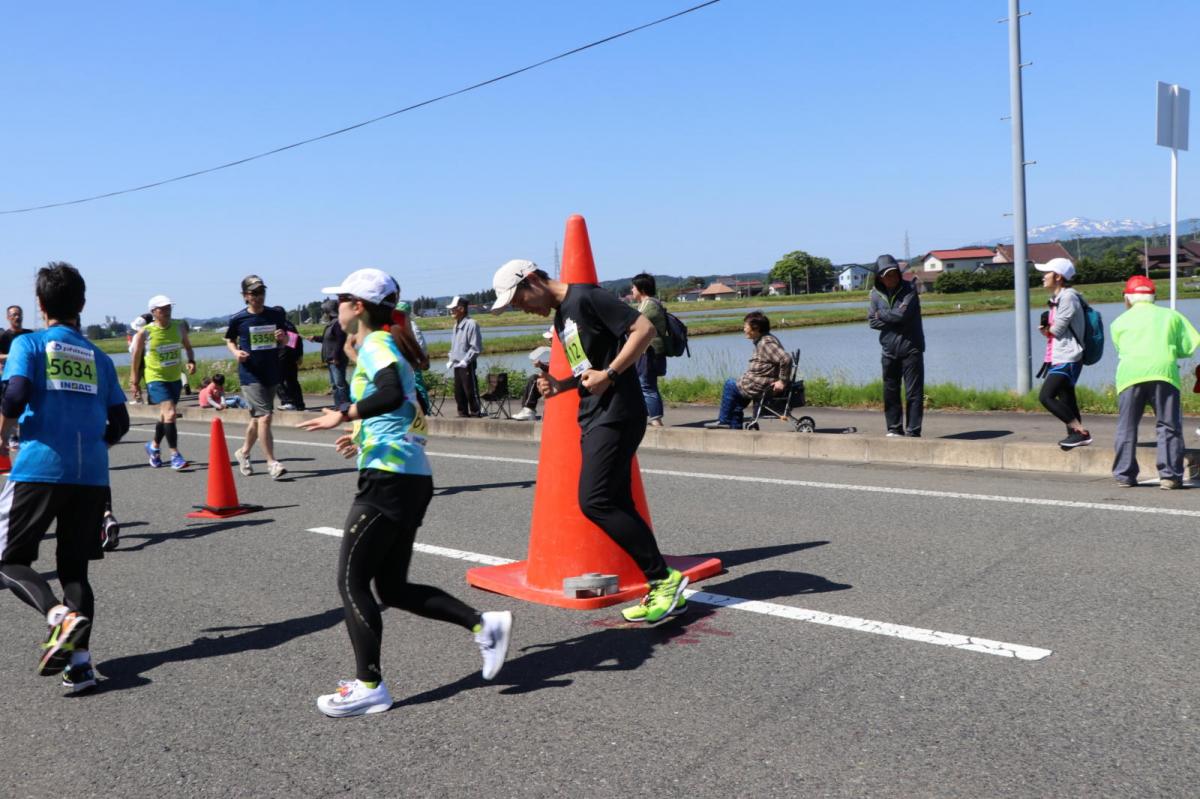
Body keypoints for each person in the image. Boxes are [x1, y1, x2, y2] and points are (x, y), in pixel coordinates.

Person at [299, 268, 511, 718]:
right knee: (391, 587)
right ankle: (483, 624)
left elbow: (393, 393)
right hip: (411, 474)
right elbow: (407, 409)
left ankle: (369, 685)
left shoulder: (378, 343)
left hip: (389, 480)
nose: (332, 307)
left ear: (358, 306)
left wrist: (345, 413)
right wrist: (362, 434)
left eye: (339, 300)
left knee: (352, 581)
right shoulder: (386, 344)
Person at [491, 258, 687, 623]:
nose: (523, 309)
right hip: (596, 412)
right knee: (616, 502)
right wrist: (560, 386)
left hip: (618, 412)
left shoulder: (585, 298)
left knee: (594, 501)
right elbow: (588, 371)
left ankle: (663, 579)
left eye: (519, 300)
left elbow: (643, 330)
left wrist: (611, 373)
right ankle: (661, 584)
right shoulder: (562, 314)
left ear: (532, 279)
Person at [0, 262, 129, 694]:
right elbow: (120, 423)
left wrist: (2, 437)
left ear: (39, 305)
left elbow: (15, 395)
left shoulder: (30, 344)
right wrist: (91, 446)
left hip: (39, 466)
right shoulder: (98, 356)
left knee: (9, 561)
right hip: (90, 473)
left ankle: (58, 616)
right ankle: (81, 667)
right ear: (83, 304)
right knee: (75, 569)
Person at [1109, 275, 1200, 489]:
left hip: (1130, 375)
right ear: (1153, 296)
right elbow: (1188, 347)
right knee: (1168, 425)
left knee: (1127, 426)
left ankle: (1124, 475)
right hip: (1164, 372)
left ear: (1128, 297)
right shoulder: (1171, 316)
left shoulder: (1119, 321)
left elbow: (1120, 349)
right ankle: (1169, 476)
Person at [224, 275, 289, 479]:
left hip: (271, 371)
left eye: (261, 292)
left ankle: (243, 452)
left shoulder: (275, 315)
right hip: (250, 374)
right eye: (253, 293)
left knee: (257, 418)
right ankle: (272, 463)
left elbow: (285, 340)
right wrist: (236, 353)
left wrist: (282, 339)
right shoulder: (238, 319)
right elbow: (229, 340)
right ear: (245, 296)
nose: (258, 297)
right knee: (266, 417)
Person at [130, 295, 195, 470]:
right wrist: (134, 379)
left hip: (174, 377)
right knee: (171, 413)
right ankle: (175, 455)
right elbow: (136, 357)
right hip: (155, 377)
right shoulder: (145, 332)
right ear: (153, 312)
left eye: (169, 308)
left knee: (165, 416)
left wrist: (191, 361)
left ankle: (153, 447)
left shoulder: (179, 327)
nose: (167, 311)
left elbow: (188, 346)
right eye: (162, 309)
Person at [1036, 257, 1092, 449]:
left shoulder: (1068, 297)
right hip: (1059, 355)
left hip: (1068, 357)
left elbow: (1057, 330)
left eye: (1046, 273)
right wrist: (1047, 329)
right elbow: (1055, 331)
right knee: (1067, 398)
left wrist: (1046, 328)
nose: (1043, 277)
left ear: (1058, 276)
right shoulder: (1057, 299)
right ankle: (1076, 436)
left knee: (1046, 396)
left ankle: (1080, 431)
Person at [703, 312, 792, 430]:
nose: (744, 329)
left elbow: (786, 358)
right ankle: (736, 431)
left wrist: (782, 381)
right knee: (736, 404)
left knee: (730, 385)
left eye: (746, 326)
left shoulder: (766, 343)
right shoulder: (763, 340)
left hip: (760, 385)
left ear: (756, 328)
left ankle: (724, 420)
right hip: (757, 383)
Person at [868, 254, 925, 437]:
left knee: (913, 393)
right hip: (889, 350)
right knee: (890, 392)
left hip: (911, 349)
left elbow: (903, 315)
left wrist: (882, 315)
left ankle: (913, 431)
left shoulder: (909, 289)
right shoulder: (876, 295)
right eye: (887, 275)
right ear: (880, 277)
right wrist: (892, 317)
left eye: (894, 273)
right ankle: (894, 429)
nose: (891, 277)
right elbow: (872, 322)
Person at [630, 273, 668, 427]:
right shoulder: (651, 303)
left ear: (642, 289)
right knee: (646, 384)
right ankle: (651, 418)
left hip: (649, 351)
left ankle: (656, 421)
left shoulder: (648, 305)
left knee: (646, 385)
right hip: (650, 351)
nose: (631, 290)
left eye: (633, 287)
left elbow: (632, 322)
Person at [0, 304, 32, 443]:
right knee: (12, 406)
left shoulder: (29, 334)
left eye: (19, 314)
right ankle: (10, 437)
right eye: (13, 315)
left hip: (29, 376)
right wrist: (12, 355)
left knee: (28, 407)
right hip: (10, 377)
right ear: (8, 318)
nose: (17, 317)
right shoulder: (4, 336)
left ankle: (25, 435)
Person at [446, 295, 482, 417]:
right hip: (457, 363)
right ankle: (462, 414)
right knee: (458, 392)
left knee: (470, 390)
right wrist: (451, 359)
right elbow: (453, 346)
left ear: (461, 309)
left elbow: (475, 347)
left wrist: (466, 360)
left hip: (467, 364)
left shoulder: (471, 324)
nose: (451, 311)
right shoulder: (455, 325)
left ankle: (476, 413)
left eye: (453, 308)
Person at [310, 301, 350, 408]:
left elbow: (340, 341)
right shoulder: (332, 324)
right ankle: (339, 405)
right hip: (331, 359)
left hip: (336, 359)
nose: (324, 314)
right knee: (335, 384)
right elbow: (327, 339)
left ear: (329, 312)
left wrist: (336, 357)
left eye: (325, 311)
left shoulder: (337, 323)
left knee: (340, 384)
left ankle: (345, 405)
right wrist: (315, 338)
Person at [512, 330, 553, 421]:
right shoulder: (556, 350)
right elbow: (553, 366)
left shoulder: (561, 350)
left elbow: (555, 367)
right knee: (534, 378)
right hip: (556, 379)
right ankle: (527, 409)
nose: (550, 341)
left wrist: (541, 365)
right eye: (549, 339)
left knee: (534, 379)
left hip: (561, 382)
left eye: (551, 338)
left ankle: (529, 410)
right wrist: (542, 365)